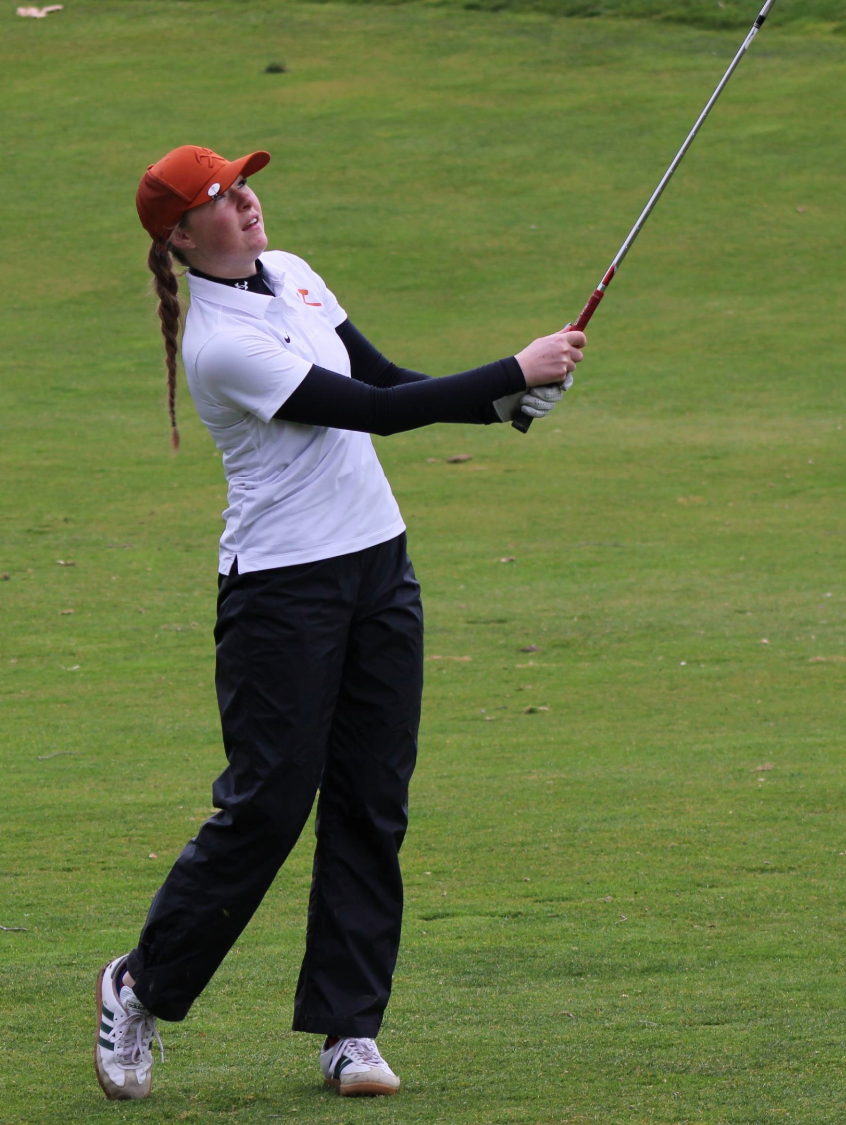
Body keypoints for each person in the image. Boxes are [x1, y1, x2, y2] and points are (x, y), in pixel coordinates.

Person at [95, 144, 584, 1102]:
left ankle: (349, 1029)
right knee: (269, 805)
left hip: (377, 566)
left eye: (244, 184)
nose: (247, 201)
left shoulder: (293, 273)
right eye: (222, 197)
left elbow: (385, 375)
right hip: (282, 590)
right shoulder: (220, 344)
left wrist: (507, 399)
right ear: (182, 237)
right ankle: (140, 984)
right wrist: (510, 368)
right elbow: (370, 411)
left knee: (371, 797)